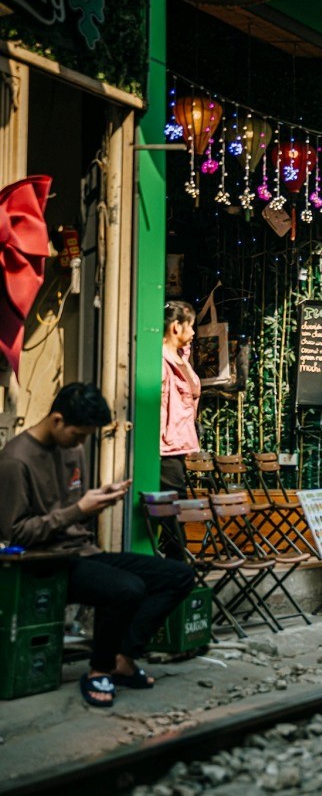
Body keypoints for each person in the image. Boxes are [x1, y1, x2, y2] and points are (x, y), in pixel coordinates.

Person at [0, 383, 194, 707]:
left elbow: (74, 509)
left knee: (179, 575)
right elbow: (15, 534)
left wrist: (97, 503)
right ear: (58, 420)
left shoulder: (72, 448)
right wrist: (78, 510)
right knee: (126, 588)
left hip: (83, 553)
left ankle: (122, 657)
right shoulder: (15, 461)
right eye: (78, 435)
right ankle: (98, 670)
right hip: (44, 562)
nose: (81, 443)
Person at [160, 301, 201, 559]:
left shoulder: (180, 357)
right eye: (191, 326)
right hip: (165, 445)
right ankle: (178, 564)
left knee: (174, 505)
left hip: (177, 445)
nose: (194, 333)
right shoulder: (161, 361)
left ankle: (176, 560)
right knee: (172, 507)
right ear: (176, 327)